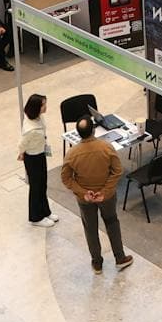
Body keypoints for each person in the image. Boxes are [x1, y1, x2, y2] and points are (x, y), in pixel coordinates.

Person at [60, 117, 131, 274]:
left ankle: (97, 263)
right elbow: (117, 171)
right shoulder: (106, 147)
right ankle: (120, 258)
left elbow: (66, 178)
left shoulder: (72, 154)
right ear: (93, 130)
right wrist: (105, 191)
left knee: (90, 229)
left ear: (79, 134)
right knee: (112, 223)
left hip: (85, 200)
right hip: (107, 197)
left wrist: (83, 193)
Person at [19, 94, 55, 227]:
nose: (46, 107)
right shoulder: (30, 129)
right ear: (37, 108)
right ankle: (36, 217)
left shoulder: (38, 118)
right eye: (43, 105)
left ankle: (45, 211)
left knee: (43, 184)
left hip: (40, 153)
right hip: (33, 157)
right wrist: (21, 153)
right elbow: (22, 143)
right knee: (36, 187)